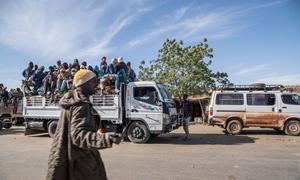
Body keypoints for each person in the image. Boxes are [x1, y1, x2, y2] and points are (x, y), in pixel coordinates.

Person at [46, 69, 122, 180]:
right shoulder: (80, 105)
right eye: (93, 81)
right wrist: (105, 138)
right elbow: (77, 135)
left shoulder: (72, 100)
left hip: (73, 159)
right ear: (83, 84)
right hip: (81, 164)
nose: (96, 84)